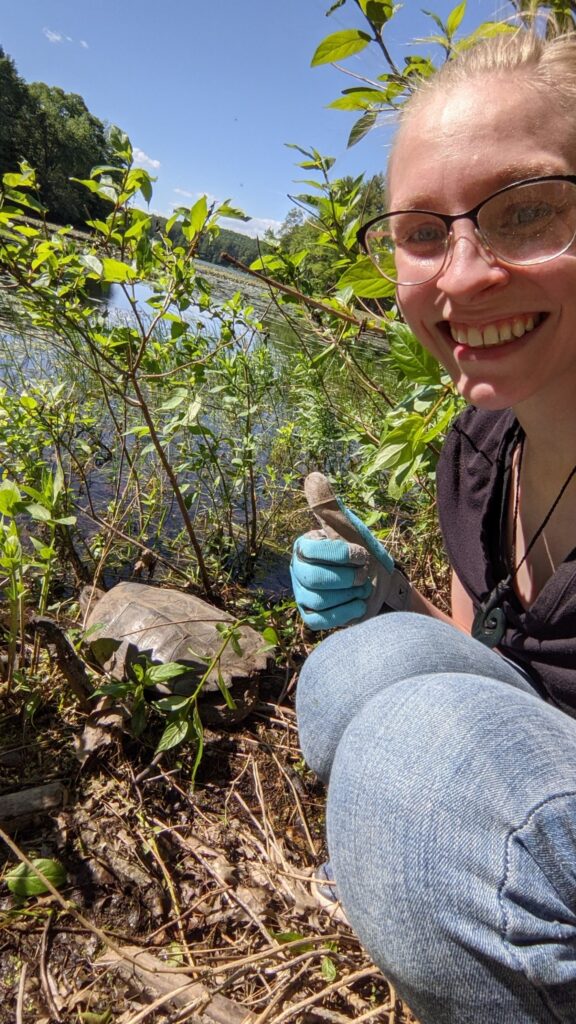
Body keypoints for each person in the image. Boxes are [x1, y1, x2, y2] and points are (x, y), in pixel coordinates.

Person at [290, 28, 576, 1024]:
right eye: (421, 231)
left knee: (413, 759)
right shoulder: (477, 450)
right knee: (355, 671)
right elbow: (477, 660)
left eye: (526, 209)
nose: (461, 276)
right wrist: (386, 595)